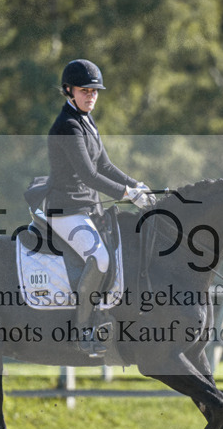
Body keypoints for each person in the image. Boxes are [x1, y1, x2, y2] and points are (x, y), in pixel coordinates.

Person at [39, 59, 152, 357]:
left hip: (87, 208)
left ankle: (105, 314)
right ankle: (81, 329)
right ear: (69, 90)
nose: (91, 96)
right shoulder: (67, 126)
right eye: (84, 90)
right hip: (65, 211)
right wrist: (127, 194)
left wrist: (136, 185)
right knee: (100, 259)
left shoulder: (87, 121)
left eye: (94, 91)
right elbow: (89, 175)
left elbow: (104, 165)